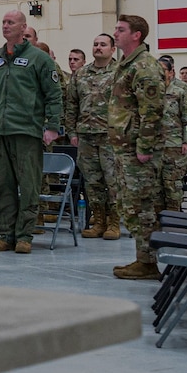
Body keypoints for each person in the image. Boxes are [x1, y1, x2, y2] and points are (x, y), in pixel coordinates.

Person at [0, 11, 62, 253]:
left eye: (10, 22)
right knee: (3, 186)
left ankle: (24, 235)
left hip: (27, 130)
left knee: (29, 185)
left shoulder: (40, 59)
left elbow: (54, 95)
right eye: (3, 22)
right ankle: (6, 234)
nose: (5, 26)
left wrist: (53, 126)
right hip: (1, 131)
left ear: (23, 27)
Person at [104, 16, 166, 278]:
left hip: (137, 150)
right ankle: (143, 258)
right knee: (130, 204)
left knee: (142, 205)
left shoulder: (144, 66)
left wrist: (145, 145)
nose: (115, 33)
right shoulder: (126, 64)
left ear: (136, 35)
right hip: (124, 146)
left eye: (121, 30)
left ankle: (148, 262)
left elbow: (152, 110)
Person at [68, 33, 118, 238]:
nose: (98, 47)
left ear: (113, 49)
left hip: (111, 136)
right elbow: (71, 105)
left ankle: (114, 222)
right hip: (86, 135)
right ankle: (98, 221)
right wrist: (72, 131)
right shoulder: (80, 74)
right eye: (95, 44)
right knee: (92, 181)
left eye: (103, 45)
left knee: (113, 180)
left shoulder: (120, 73)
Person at [155, 58, 187, 226]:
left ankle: (174, 220)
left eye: (163, 69)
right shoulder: (149, 92)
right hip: (154, 147)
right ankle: (158, 221)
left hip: (175, 146)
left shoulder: (180, 91)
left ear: (171, 72)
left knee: (172, 186)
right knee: (156, 187)